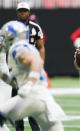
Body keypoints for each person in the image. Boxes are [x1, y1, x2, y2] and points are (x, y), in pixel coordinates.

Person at [0, 20, 65, 131]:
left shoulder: (17, 48)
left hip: (31, 97)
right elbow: (16, 81)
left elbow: (36, 61)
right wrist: (3, 75)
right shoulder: (27, 46)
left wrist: (29, 83)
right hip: (44, 99)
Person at [15, 2, 47, 131]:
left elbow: (41, 47)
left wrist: (41, 65)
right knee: (17, 102)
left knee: (32, 101)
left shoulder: (35, 28)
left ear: (28, 12)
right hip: (16, 69)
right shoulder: (11, 27)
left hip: (31, 69)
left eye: (25, 11)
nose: (23, 13)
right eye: (20, 11)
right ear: (17, 12)